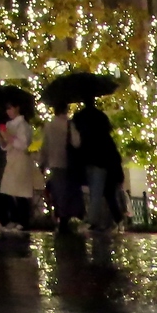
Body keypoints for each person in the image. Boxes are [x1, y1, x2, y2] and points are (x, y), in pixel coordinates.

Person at [69, 94, 121, 232]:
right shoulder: (101, 117)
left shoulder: (79, 118)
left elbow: (75, 140)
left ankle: (92, 220)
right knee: (97, 191)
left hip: (85, 158)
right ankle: (94, 220)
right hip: (101, 159)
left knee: (94, 190)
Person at [0, 99, 39, 233]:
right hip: (11, 160)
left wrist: (9, 138)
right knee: (8, 191)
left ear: (17, 108)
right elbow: (6, 146)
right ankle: (12, 219)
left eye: (11, 108)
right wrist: (3, 140)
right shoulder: (9, 125)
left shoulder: (23, 126)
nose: (9, 112)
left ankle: (22, 221)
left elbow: (23, 144)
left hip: (21, 161)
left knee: (20, 193)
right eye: (7, 109)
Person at [39, 99, 78, 231]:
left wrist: (42, 162)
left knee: (57, 191)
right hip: (68, 162)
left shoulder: (49, 125)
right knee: (67, 191)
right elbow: (77, 142)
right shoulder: (69, 124)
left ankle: (60, 216)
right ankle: (66, 218)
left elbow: (45, 145)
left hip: (54, 162)